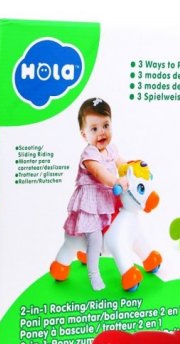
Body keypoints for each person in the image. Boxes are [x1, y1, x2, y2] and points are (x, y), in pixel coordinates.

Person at [51, 98, 130, 291]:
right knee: (95, 239)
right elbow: (100, 173)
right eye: (94, 129)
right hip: (90, 204)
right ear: (84, 134)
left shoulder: (111, 149)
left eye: (106, 125)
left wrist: (133, 169)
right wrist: (116, 181)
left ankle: (76, 258)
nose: (101, 132)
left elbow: (122, 164)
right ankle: (94, 274)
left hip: (107, 200)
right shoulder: (89, 155)